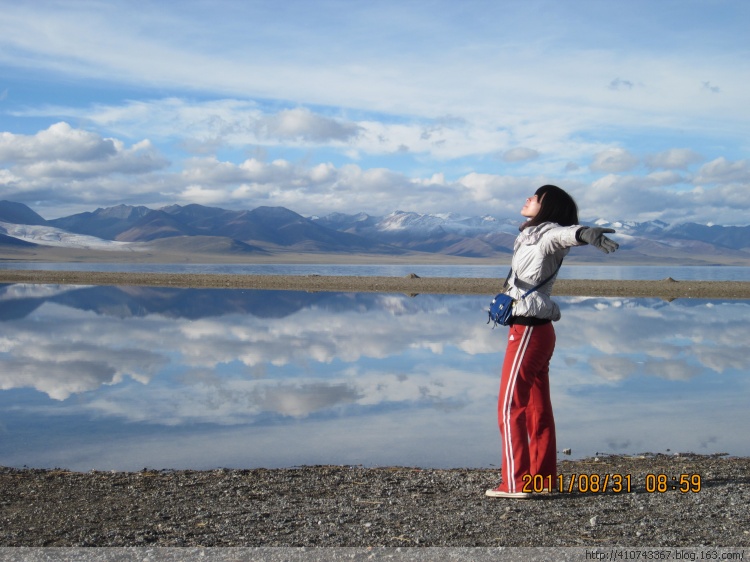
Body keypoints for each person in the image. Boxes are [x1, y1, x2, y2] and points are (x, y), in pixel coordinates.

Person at [486, 184, 618, 499]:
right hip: (538, 331)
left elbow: (564, 235)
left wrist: (585, 234)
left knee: (509, 406)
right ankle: (542, 480)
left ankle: (515, 484)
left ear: (548, 207)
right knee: (536, 408)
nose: (528, 198)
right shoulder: (531, 235)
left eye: (536, 197)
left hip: (528, 331)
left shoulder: (546, 235)